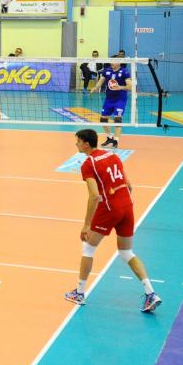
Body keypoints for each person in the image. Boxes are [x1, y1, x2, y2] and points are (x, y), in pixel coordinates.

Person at [64, 129, 161, 313]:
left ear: (86, 144)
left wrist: (87, 224)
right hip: (127, 206)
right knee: (126, 252)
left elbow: (94, 196)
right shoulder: (113, 155)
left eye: (78, 141)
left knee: (88, 248)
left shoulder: (88, 164)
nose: (76, 144)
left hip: (109, 209)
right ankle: (151, 293)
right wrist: (120, 204)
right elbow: (129, 186)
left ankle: (79, 293)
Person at [90, 58, 132, 148]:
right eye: (111, 61)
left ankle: (116, 141)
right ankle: (109, 137)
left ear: (119, 62)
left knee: (117, 120)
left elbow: (130, 86)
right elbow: (101, 81)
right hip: (109, 99)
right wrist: (95, 88)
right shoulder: (107, 71)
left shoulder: (124, 72)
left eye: (114, 61)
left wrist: (120, 87)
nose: (111, 63)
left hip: (120, 100)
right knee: (103, 120)